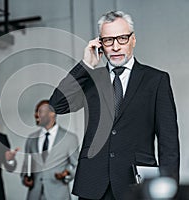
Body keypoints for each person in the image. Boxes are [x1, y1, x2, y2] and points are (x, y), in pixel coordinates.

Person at [49, 10, 179, 200]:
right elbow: (57, 105)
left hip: (135, 183)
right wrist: (86, 65)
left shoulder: (156, 80)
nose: (116, 47)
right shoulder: (91, 79)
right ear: (100, 44)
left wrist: (168, 187)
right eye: (108, 40)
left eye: (122, 39)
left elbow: (168, 142)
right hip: (92, 185)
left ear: (133, 40)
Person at [21, 100, 79, 200]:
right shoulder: (31, 139)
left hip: (59, 196)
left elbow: (76, 165)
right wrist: (25, 178)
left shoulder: (70, 138)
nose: (35, 115)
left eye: (39, 111)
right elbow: (26, 167)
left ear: (52, 113)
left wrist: (66, 173)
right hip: (34, 195)